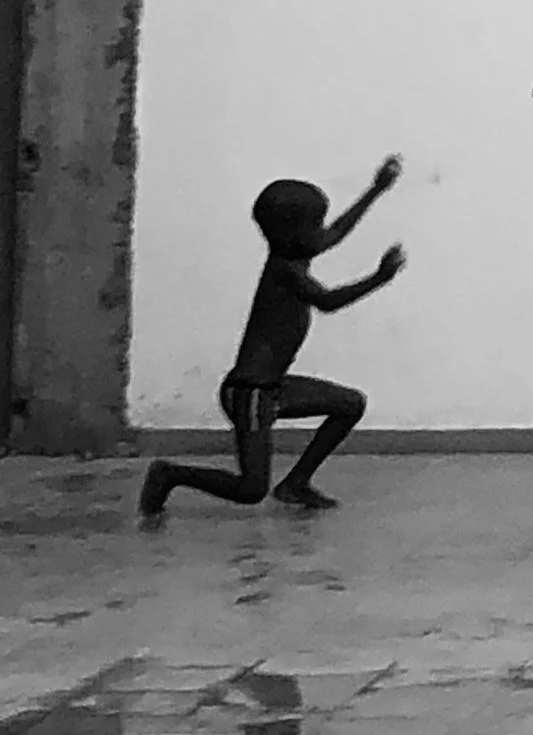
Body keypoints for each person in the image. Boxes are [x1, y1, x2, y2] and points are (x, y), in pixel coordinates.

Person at [137, 159, 406, 520]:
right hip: (250, 393)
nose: (322, 233)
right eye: (315, 226)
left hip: (273, 389)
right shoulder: (284, 271)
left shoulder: (292, 257)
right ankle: (170, 474)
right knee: (250, 490)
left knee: (350, 404)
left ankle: (295, 484)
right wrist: (379, 278)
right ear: (294, 234)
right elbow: (328, 302)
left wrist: (375, 190)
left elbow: (334, 234)